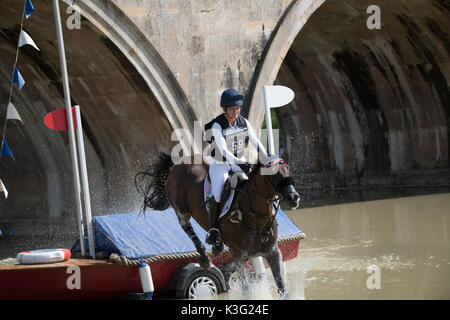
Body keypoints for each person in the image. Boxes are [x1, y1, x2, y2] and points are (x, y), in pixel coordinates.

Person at [204, 88, 272, 246]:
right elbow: (222, 150)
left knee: (252, 184)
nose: (236, 112)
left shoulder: (244, 122)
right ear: (225, 109)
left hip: (238, 161)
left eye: (238, 108)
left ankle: (255, 221)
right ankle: (213, 230)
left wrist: (265, 156)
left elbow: (255, 141)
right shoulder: (217, 125)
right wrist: (238, 161)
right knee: (219, 193)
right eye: (232, 109)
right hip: (220, 163)